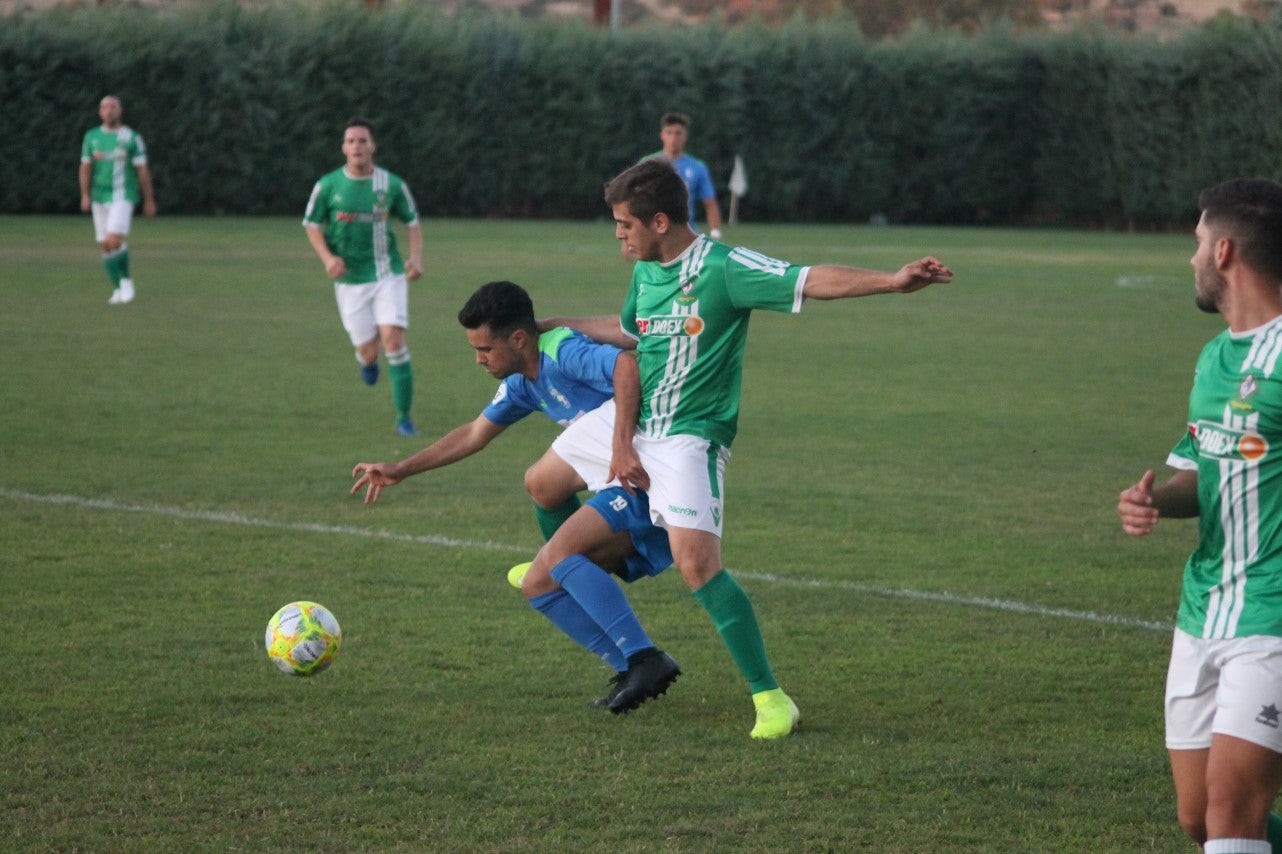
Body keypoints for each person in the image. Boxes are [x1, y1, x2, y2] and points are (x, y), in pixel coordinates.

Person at [531, 157, 952, 739]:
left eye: (624, 224)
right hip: (637, 422)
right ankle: (610, 560)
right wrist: (562, 325)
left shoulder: (723, 268)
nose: (618, 235)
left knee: (697, 564)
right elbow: (631, 332)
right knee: (543, 483)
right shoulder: (645, 271)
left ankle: (772, 699)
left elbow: (808, 278)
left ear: (658, 221)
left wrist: (892, 281)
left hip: (688, 436)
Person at [350, 280, 678, 712]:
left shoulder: (563, 350)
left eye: (485, 349)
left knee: (558, 553)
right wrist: (401, 468)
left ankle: (609, 600)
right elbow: (473, 433)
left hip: (646, 477)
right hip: (614, 487)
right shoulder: (524, 382)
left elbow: (625, 366)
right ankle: (636, 662)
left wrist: (621, 445)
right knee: (539, 580)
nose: (479, 359)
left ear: (518, 338)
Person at [1118, 178, 1282, 854]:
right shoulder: (1214, 357)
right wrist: (1155, 497)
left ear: (1223, 252)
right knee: (1199, 818)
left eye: (1193, 245)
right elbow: (1199, 469)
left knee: (1232, 813)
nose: (1187, 260)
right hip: (1202, 609)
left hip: (1273, 618)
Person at [304, 117, 423, 437]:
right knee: (370, 351)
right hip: (350, 281)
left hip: (388, 273)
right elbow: (311, 224)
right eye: (351, 141)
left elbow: (412, 220)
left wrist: (416, 259)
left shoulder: (391, 185)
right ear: (343, 148)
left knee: (394, 341)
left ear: (373, 146)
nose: (357, 146)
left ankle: (403, 418)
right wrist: (328, 259)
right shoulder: (328, 186)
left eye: (362, 140)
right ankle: (368, 362)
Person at [79, 95, 156, 306]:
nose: (109, 111)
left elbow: (142, 170)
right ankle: (117, 288)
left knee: (114, 240)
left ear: (120, 111)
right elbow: (85, 167)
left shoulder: (131, 137)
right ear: (99, 112)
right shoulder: (92, 137)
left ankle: (127, 281)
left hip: (123, 195)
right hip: (99, 196)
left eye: (113, 106)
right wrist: (85, 194)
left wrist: (149, 200)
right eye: (104, 107)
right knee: (105, 246)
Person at [646, 111, 723, 239]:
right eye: (669, 132)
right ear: (662, 135)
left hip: (686, 234)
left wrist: (715, 232)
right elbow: (633, 201)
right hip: (654, 234)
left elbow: (710, 203)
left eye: (678, 133)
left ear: (685, 136)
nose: (673, 138)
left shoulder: (698, 167)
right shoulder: (647, 164)